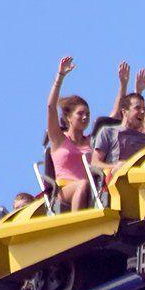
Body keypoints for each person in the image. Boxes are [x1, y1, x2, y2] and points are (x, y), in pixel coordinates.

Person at [46, 57, 93, 211]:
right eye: (80, 113)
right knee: (82, 185)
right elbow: (51, 107)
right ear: (68, 117)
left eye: (87, 113)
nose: (85, 117)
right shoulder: (59, 139)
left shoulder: (90, 141)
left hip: (91, 191)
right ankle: (77, 224)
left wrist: (125, 86)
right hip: (65, 191)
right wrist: (60, 77)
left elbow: (115, 120)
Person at [92, 92, 145, 175]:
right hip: (114, 179)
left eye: (143, 109)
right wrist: (116, 167)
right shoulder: (108, 132)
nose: (142, 111)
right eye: (137, 108)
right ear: (124, 112)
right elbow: (95, 163)